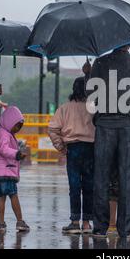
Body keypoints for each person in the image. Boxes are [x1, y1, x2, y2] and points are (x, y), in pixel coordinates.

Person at [84, 43, 130, 238]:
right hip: (129, 126)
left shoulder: (100, 63)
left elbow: (91, 95)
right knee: (127, 178)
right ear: (129, 43)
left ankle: (100, 228)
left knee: (101, 177)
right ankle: (125, 227)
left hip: (105, 126)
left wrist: (88, 74)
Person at [48, 77, 95, 234]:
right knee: (89, 186)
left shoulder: (64, 108)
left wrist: (61, 147)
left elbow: (53, 129)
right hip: (91, 149)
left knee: (74, 186)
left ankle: (75, 222)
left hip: (73, 149)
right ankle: (87, 223)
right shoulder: (93, 107)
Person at [0, 106, 30, 232]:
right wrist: (17, 154)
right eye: (17, 126)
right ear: (9, 121)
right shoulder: (4, 134)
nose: (18, 129)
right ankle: (20, 221)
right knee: (13, 195)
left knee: (1, 197)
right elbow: (4, 150)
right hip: (5, 171)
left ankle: (1, 223)